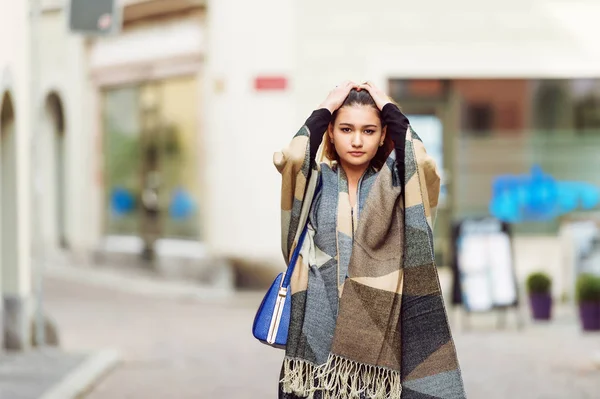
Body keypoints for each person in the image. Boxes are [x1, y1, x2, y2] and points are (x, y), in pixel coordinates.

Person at [274, 81, 466, 399]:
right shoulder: (313, 183)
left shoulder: (395, 186)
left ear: (382, 137)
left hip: (379, 345)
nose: (357, 140)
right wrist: (325, 107)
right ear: (331, 133)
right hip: (316, 335)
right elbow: (293, 156)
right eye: (346, 129)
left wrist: (387, 106)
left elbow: (423, 164)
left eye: (368, 131)